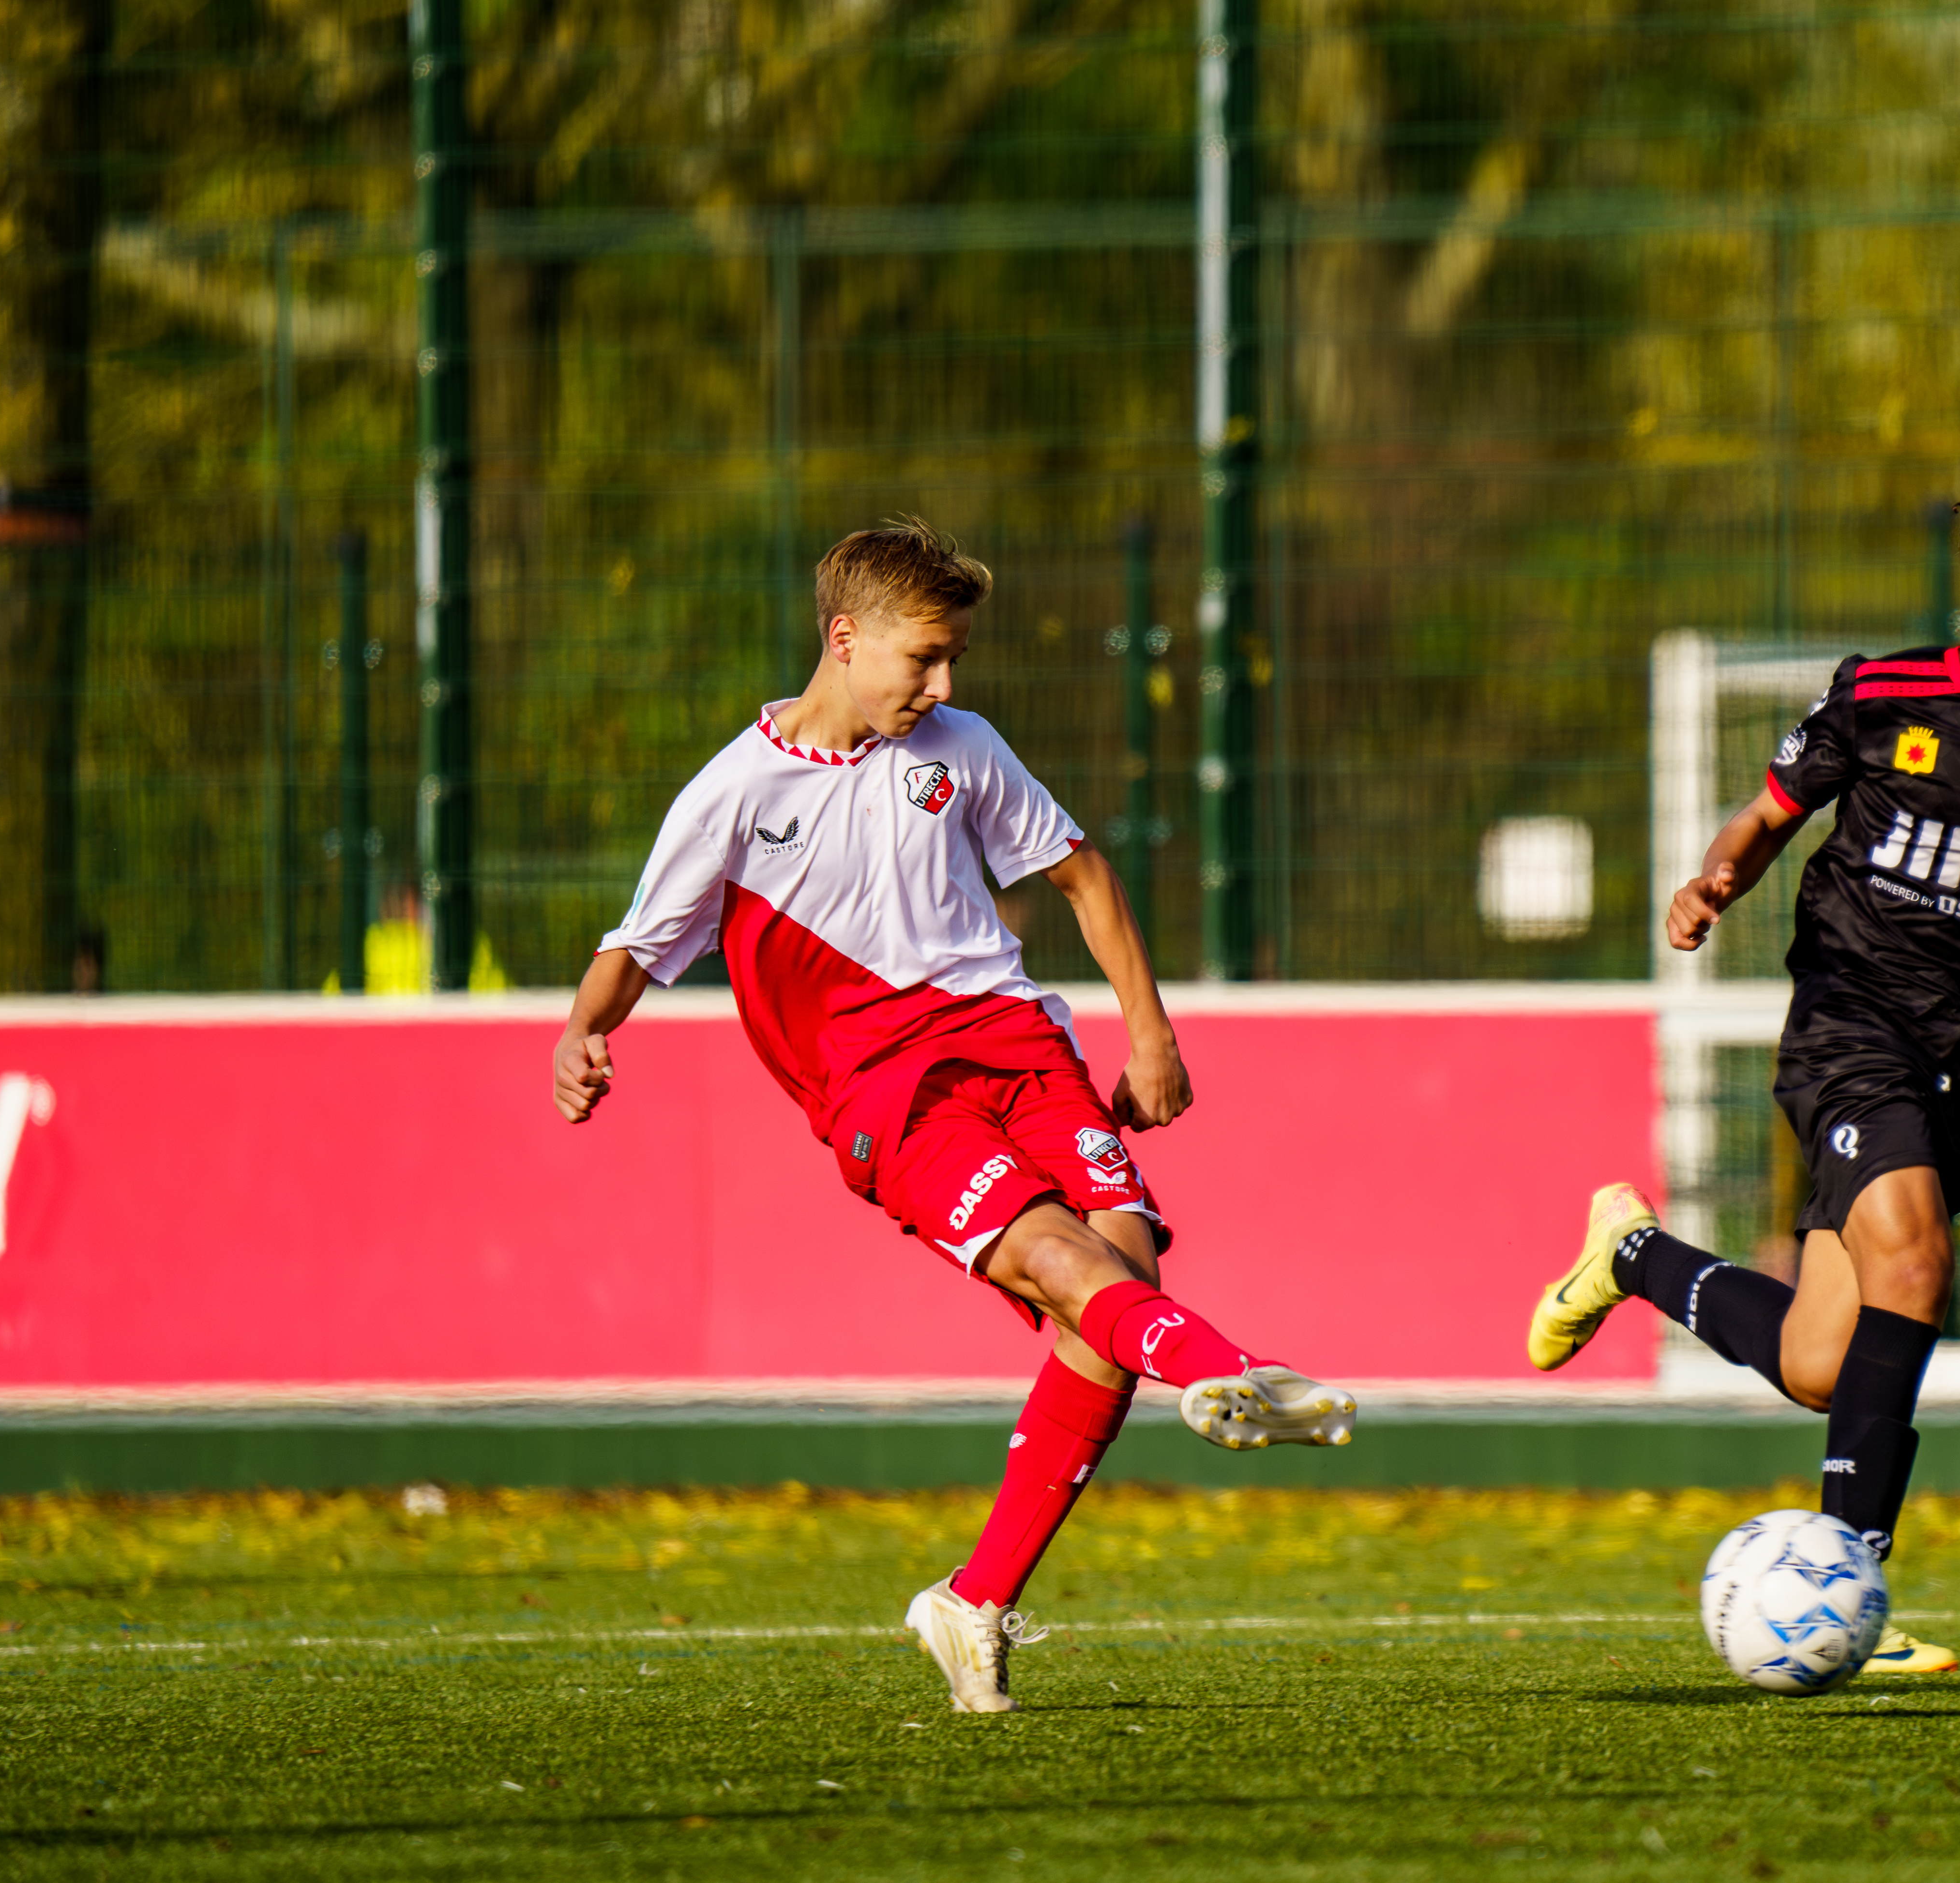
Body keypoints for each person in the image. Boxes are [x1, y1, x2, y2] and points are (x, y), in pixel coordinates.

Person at [549, 519, 1356, 1715]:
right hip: (884, 1088)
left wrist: (1149, 1034)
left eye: (953, 662)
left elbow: (1079, 874)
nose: (943, 685)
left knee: (1113, 1287)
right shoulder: (734, 791)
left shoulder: (961, 747)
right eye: (924, 659)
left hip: (1019, 1040)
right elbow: (640, 938)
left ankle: (973, 1601)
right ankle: (1236, 1372)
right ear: (844, 639)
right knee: (1064, 1263)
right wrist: (583, 1032)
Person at [1525, 435, 1960, 1677]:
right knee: (1914, 1258)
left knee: (1823, 1365)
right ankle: (1847, 1579)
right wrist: (1713, 883)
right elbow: (1766, 817)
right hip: (1847, 1024)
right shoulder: (1880, 693)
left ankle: (1631, 1254)